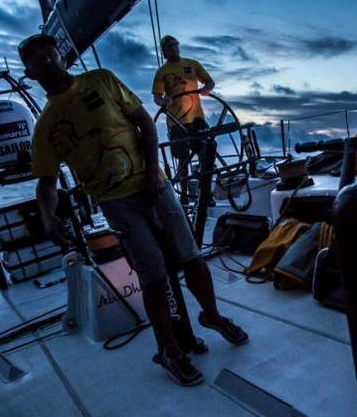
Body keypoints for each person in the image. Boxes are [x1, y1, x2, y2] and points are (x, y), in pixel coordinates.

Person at [20, 33, 248, 387]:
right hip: (117, 203)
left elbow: (144, 121)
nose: (48, 62)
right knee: (154, 277)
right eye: (38, 61)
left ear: (62, 55)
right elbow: (47, 183)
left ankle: (213, 316)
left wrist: (156, 174)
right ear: (30, 73)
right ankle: (171, 352)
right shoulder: (46, 125)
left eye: (51, 54)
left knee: (192, 258)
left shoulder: (102, 80)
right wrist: (49, 218)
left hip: (156, 186)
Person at [152, 35, 215, 201]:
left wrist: (206, 89)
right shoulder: (162, 72)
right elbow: (157, 97)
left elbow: (210, 82)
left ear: (178, 46)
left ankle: (205, 193)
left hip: (197, 118)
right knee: (182, 159)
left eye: (174, 45)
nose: (173, 48)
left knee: (205, 154)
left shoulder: (192, 64)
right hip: (176, 122)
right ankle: (185, 196)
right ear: (164, 52)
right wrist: (163, 100)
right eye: (169, 47)